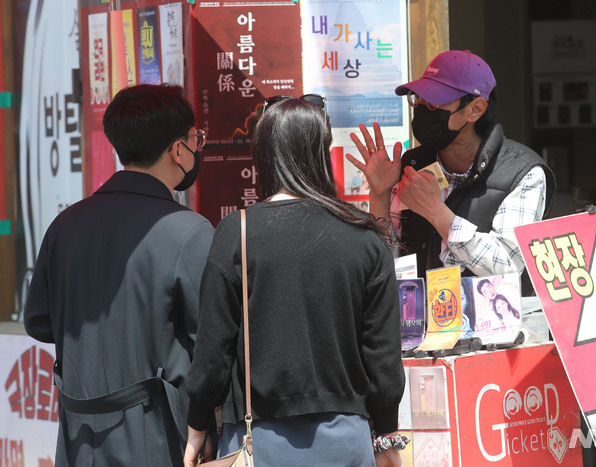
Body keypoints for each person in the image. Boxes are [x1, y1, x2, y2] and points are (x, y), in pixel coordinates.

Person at [183, 97, 406, 467]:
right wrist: (385, 439)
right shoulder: (365, 237)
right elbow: (383, 360)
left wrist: (196, 428)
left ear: (264, 156)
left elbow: (212, 355)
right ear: (322, 152)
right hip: (347, 442)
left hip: (259, 445)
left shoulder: (236, 233)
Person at [23, 83, 214, 466]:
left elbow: (39, 322)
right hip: (159, 438)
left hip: (78, 441)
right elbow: (212, 343)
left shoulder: (65, 224)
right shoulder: (189, 231)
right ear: (178, 149)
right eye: (197, 140)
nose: (198, 148)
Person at [347, 50, 556, 286]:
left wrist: (437, 213)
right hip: (418, 320)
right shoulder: (411, 167)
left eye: (434, 102)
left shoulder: (521, 172)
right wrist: (380, 194)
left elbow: (510, 264)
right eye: (418, 98)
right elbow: (381, 264)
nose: (423, 108)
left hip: (492, 320)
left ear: (475, 109)